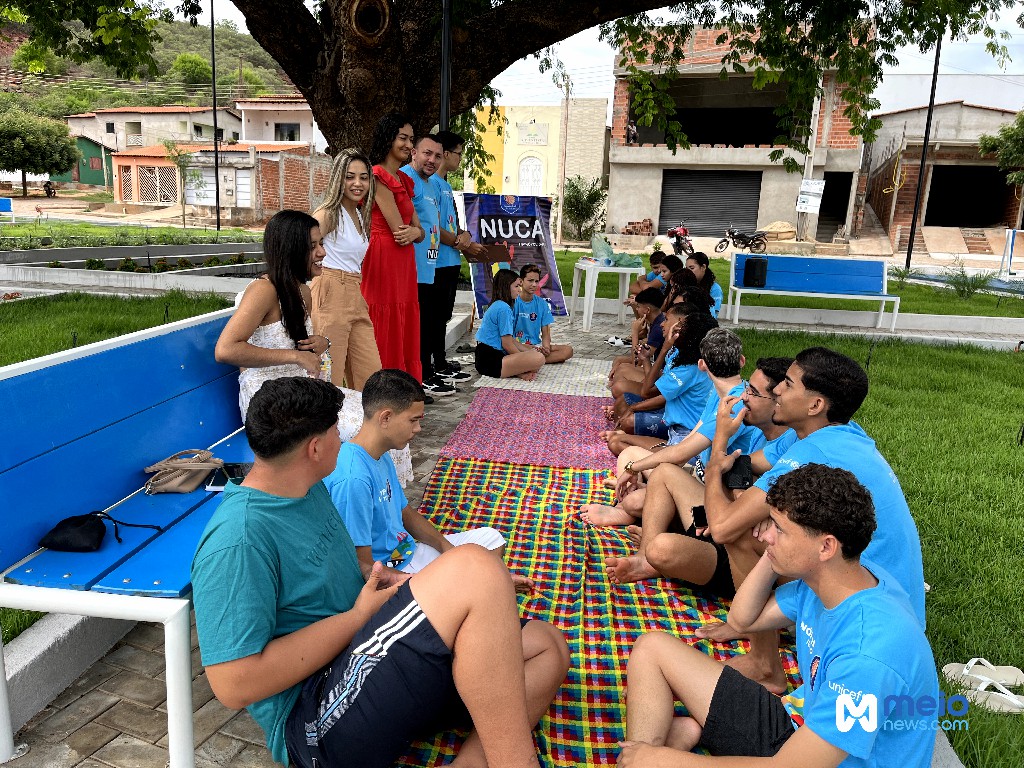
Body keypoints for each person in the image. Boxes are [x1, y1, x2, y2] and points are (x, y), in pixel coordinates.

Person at [191, 376, 570, 768]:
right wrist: (358, 616)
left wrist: (401, 590)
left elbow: (349, 572)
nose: (344, 438)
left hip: (369, 653)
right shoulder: (239, 539)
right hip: (315, 715)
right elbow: (233, 684)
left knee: (546, 645)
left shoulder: (307, 487)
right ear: (315, 447)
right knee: (475, 567)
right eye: (337, 430)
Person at [614, 347, 926, 692]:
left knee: (746, 534)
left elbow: (722, 526)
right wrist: (738, 484)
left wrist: (722, 456)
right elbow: (746, 465)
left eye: (787, 385)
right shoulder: (831, 433)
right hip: (872, 587)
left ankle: (764, 664)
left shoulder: (814, 450)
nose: (777, 390)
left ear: (815, 405)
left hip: (865, 608)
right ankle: (742, 621)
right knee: (729, 516)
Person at [619, 464, 939, 768]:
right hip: (795, 737)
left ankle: (654, 753)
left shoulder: (868, 656)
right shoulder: (835, 579)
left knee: (655, 759)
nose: (765, 535)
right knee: (652, 648)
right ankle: (654, 750)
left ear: (826, 547)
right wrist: (773, 555)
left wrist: (664, 761)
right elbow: (742, 620)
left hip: (804, 760)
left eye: (779, 530)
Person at [214, 209, 413, 487]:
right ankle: (360, 504)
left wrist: (322, 343)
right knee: (369, 430)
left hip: (300, 391)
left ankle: (384, 506)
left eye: (322, 244)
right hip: (270, 401)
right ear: (292, 250)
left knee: (385, 418)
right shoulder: (264, 291)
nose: (322, 253)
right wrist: (295, 356)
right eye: (313, 247)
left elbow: (301, 345)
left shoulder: (302, 292)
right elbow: (225, 350)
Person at [324, 368, 535, 591]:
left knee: (491, 539)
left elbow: (405, 513)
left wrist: (449, 549)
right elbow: (365, 568)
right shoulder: (352, 478)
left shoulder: (379, 454)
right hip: (393, 573)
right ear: (385, 417)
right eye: (413, 420)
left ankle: (478, 584)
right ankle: (481, 587)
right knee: (480, 579)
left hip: (408, 553)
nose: (418, 429)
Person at [600, 357, 795, 595]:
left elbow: (695, 459)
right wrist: (737, 490)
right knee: (661, 473)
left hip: (740, 549)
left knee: (660, 547)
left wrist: (723, 440)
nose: (744, 397)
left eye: (752, 392)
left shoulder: (796, 443)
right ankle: (647, 555)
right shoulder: (759, 428)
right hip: (723, 521)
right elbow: (733, 471)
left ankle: (662, 545)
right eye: (746, 388)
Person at [583, 329, 760, 529]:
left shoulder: (733, 403)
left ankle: (632, 507)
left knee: (636, 497)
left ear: (702, 365)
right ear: (742, 361)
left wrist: (635, 470)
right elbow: (684, 448)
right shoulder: (720, 395)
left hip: (713, 491)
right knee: (630, 454)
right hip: (696, 472)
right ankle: (643, 493)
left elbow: (680, 452)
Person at [310, 148, 381, 390]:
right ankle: (325, 427)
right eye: (350, 176)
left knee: (370, 375)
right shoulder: (329, 213)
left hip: (354, 291)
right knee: (329, 373)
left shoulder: (359, 213)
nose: (357, 183)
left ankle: (363, 426)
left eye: (363, 177)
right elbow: (299, 246)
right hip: (330, 289)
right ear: (338, 178)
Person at [363, 113, 425, 385]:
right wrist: (415, 232)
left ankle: (402, 387)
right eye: (403, 138)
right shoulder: (377, 175)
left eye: (411, 139)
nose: (408, 144)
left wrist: (417, 233)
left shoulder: (403, 179)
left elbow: (419, 231)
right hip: (383, 256)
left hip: (403, 260)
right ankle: (385, 388)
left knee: (403, 318)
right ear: (388, 139)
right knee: (384, 318)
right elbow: (401, 230)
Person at [605, 308, 718, 455]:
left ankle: (652, 469)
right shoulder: (684, 356)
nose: (662, 324)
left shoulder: (689, 368)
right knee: (622, 413)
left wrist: (664, 347)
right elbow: (656, 382)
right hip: (678, 430)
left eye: (667, 320)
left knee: (619, 440)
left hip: (683, 438)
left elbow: (648, 392)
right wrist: (646, 359)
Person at [400, 134, 457, 398]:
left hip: (429, 266)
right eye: (426, 153)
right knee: (417, 327)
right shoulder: (405, 179)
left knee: (427, 324)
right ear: (413, 153)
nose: (432, 160)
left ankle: (425, 375)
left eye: (437, 155)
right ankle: (418, 379)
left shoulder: (432, 185)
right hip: (410, 268)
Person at [433, 130, 480, 381]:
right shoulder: (430, 184)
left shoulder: (446, 186)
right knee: (435, 317)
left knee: (443, 315)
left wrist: (465, 235)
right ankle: (433, 364)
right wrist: (460, 242)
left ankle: (439, 361)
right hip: (437, 261)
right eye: (459, 153)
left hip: (451, 259)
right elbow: (434, 226)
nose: (461, 158)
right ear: (447, 153)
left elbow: (452, 226)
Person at [475, 268, 546, 380]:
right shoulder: (504, 309)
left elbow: (511, 340)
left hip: (485, 357)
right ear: (506, 287)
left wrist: (527, 350)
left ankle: (518, 372)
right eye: (516, 286)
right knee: (539, 359)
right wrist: (525, 360)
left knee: (533, 353)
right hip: (490, 360)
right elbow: (507, 345)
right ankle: (519, 370)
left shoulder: (498, 304)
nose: (519, 289)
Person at [514, 264, 573, 363]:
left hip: (536, 346)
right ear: (521, 281)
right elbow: (507, 337)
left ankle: (535, 359)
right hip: (517, 346)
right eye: (530, 280)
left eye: (536, 281)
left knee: (568, 351)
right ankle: (534, 359)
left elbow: (546, 334)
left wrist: (546, 348)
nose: (534, 285)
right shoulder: (513, 302)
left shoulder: (542, 304)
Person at [685, 251, 724, 318]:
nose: (688, 272)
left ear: (703, 267)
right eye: (686, 269)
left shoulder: (715, 289)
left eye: (691, 268)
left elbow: (713, 316)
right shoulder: (686, 285)